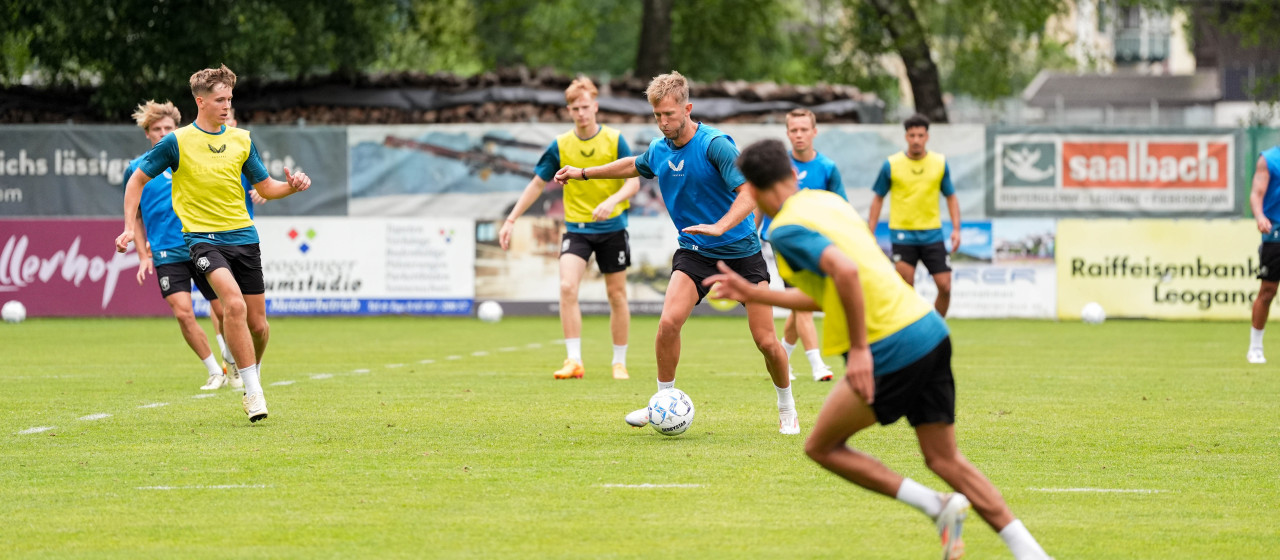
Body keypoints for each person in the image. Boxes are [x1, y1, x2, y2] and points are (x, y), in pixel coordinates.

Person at [709, 138, 1052, 560]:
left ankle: (937, 506)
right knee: (945, 460)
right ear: (788, 172)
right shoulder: (826, 202)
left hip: (891, 344)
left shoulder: (785, 229)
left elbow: (848, 274)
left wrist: (860, 351)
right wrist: (752, 293)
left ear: (754, 188)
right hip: (928, 329)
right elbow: (831, 291)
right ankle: (1032, 553)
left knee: (821, 446)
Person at [554, 71, 797, 434]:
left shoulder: (716, 144)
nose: (663, 122)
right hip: (694, 252)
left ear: (688, 108)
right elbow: (632, 165)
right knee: (668, 323)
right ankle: (662, 402)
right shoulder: (659, 150)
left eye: (669, 114)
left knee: (765, 341)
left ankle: (786, 406)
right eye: (656, 115)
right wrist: (583, 173)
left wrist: (720, 226)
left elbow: (749, 193)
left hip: (741, 253)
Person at [116, 64, 311, 423]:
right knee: (231, 305)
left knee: (259, 327)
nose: (226, 106)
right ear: (200, 101)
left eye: (230, 99)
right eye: (220, 100)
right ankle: (253, 393)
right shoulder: (176, 142)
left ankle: (251, 368)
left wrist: (292, 186)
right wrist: (130, 228)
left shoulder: (242, 139)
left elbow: (266, 187)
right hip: (203, 240)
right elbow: (135, 182)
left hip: (245, 239)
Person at [499, 77, 640, 380]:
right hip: (576, 229)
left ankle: (619, 361)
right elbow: (537, 184)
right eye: (575, 108)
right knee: (566, 287)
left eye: (586, 106)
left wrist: (612, 201)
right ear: (569, 110)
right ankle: (574, 360)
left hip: (613, 228)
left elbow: (634, 180)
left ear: (596, 106)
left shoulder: (615, 140)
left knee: (616, 295)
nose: (581, 113)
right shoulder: (560, 145)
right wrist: (511, 219)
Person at [124, 100, 236, 391]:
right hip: (164, 251)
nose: (163, 133)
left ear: (177, 129)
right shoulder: (136, 170)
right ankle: (215, 371)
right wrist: (141, 254)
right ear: (147, 133)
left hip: (200, 243)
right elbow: (135, 216)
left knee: (225, 310)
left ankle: (232, 360)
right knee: (183, 312)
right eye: (157, 129)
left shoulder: (191, 158)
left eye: (168, 128)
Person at [758, 108, 846, 383]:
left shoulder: (828, 168)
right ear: (787, 134)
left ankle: (782, 353)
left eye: (804, 129)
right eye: (793, 130)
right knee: (804, 301)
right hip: (784, 242)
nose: (799, 135)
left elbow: (840, 207)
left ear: (814, 132)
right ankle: (817, 364)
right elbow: (758, 200)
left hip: (818, 245)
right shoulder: (778, 167)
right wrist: (751, 231)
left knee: (803, 302)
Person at [867, 114, 961, 317]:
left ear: (927, 136)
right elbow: (878, 199)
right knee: (906, 289)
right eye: (912, 135)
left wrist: (956, 229)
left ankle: (936, 330)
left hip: (932, 234)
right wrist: (870, 232)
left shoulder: (939, 163)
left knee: (945, 286)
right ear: (906, 137)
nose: (916, 140)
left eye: (920, 135)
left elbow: (951, 197)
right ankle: (913, 334)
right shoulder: (891, 164)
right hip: (902, 234)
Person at [1248, 146, 1280, 363]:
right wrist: (1260, 216)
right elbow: (1257, 193)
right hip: (1275, 232)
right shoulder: (1269, 159)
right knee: (1268, 291)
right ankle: (1255, 347)